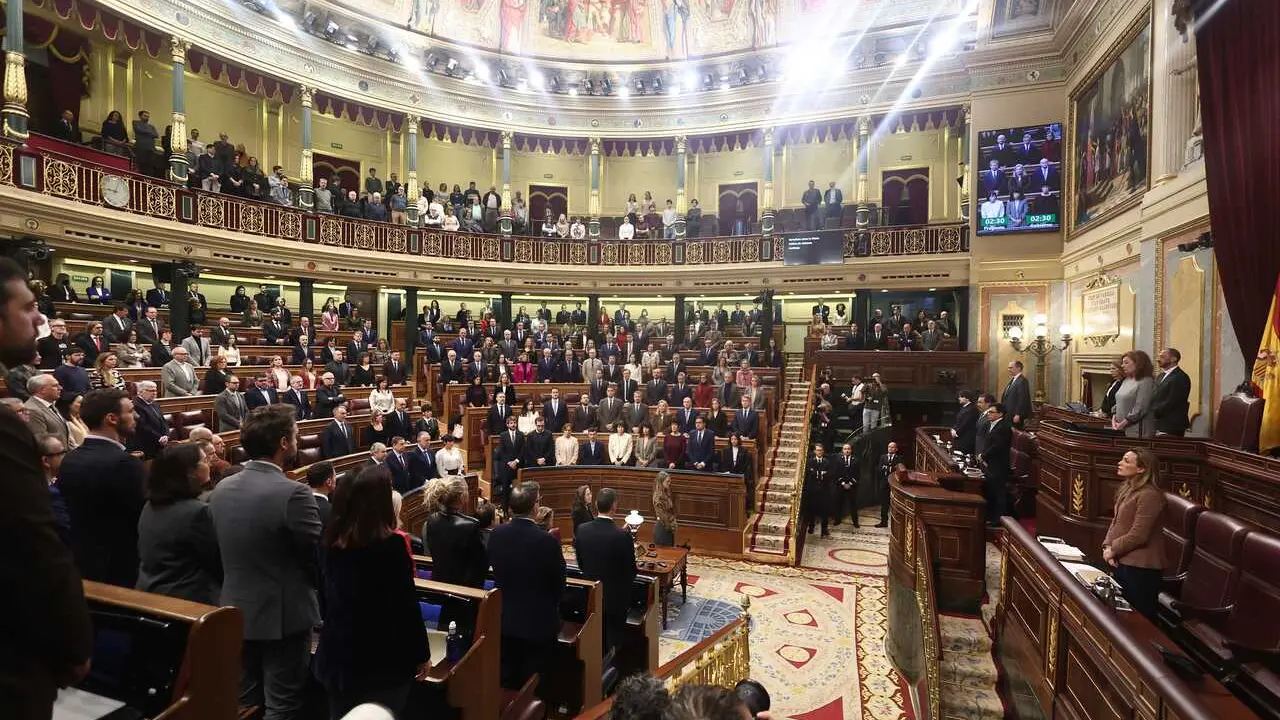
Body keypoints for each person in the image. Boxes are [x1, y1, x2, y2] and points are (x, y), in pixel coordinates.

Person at [0, 255, 93, 719]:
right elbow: (35, 545)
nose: (40, 318)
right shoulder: (6, 426)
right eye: (29, 307)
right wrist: (75, 643)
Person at [209, 405, 321, 720]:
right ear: (284, 443)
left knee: (246, 704)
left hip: (234, 609)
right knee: (282, 705)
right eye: (296, 436)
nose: (297, 441)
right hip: (284, 615)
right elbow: (314, 559)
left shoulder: (221, 488)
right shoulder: (294, 493)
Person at [315, 465, 429, 718]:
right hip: (382, 661)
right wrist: (422, 654)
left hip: (338, 656)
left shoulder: (328, 539)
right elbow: (406, 607)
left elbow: (323, 597)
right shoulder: (391, 545)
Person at [59, 388, 146, 587]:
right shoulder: (125, 464)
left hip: (84, 562)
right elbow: (144, 514)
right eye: (131, 411)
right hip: (122, 567)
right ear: (112, 419)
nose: (136, 416)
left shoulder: (70, 459)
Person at [488, 481, 567, 689]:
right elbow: (559, 584)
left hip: (504, 619)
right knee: (534, 685)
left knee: (508, 681)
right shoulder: (546, 541)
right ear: (535, 507)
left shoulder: (496, 534)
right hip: (538, 623)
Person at [136, 444, 223, 604]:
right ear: (191, 473)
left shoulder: (150, 505)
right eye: (204, 460)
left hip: (150, 590)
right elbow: (216, 563)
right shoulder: (197, 512)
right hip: (188, 598)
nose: (209, 464)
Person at [1101, 448, 1166, 621]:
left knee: (1136, 621)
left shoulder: (1150, 495)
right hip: (1123, 560)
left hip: (1141, 569)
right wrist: (1108, 547)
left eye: (1126, 461)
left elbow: (1139, 534)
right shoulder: (1129, 489)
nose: (1120, 463)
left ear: (1141, 469)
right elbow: (1116, 522)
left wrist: (1113, 549)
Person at [573, 488, 638, 652]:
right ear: (615, 506)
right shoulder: (623, 536)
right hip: (615, 601)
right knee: (614, 641)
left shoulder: (582, 530)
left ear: (596, 505)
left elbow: (580, 563)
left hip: (590, 596)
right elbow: (631, 572)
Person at [980, 405, 1012, 526]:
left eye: (992, 412)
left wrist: (984, 455)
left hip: (999, 464)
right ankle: (991, 516)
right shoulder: (991, 424)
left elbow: (997, 446)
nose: (989, 414)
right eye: (988, 412)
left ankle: (999, 519)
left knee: (999, 491)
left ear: (1000, 414)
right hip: (990, 462)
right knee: (991, 490)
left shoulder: (1004, 427)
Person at [1112, 350, 1156, 438]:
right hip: (1120, 427)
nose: (1122, 365)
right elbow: (1118, 402)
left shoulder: (1146, 381)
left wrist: (1123, 423)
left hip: (1138, 431)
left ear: (1138, 363)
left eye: (1126, 363)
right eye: (1123, 363)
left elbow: (1140, 408)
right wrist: (1114, 418)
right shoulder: (1126, 380)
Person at [1152, 347, 1191, 436]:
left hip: (1171, 424)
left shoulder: (1180, 377)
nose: (1158, 359)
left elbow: (1171, 401)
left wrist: (1151, 413)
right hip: (1157, 422)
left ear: (1174, 359)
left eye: (1162, 357)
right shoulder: (1160, 376)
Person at [721, 433, 754, 512]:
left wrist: (740, 474)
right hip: (729, 475)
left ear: (738, 440)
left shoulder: (744, 450)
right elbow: (724, 464)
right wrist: (727, 472)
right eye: (732, 439)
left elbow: (746, 465)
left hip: (740, 474)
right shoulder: (726, 450)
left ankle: (742, 509)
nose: (734, 441)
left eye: (735, 439)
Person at [876, 441, 902, 528]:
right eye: (889, 447)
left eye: (893, 447)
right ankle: (883, 522)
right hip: (884, 483)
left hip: (895, 484)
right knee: (884, 504)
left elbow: (899, 471)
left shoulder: (899, 458)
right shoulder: (882, 457)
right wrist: (890, 468)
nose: (891, 448)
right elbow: (879, 469)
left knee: (895, 504)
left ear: (896, 449)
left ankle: (896, 524)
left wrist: (886, 468)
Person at [1000, 360, 1033, 428]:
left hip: (1015, 415)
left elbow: (1023, 398)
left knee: (1015, 434)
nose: (1008, 370)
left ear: (1018, 368)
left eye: (1011, 368)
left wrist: (1018, 414)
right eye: (1008, 368)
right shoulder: (1014, 379)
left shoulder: (1022, 380)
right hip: (1008, 413)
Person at [652, 471, 677, 546]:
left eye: (670, 481)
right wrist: (671, 525)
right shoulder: (658, 497)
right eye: (667, 482)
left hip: (668, 526)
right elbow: (662, 515)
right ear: (661, 482)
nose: (669, 483)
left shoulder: (666, 493)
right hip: (662, 527)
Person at [953, 390, 979, 455]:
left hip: (966, 438)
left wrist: (956, 432)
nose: (959, 398)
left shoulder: (972, 409)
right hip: (961, 437)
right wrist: (953, 429)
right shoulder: (964, 408)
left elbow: (966, 423)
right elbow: (958, 421)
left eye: (961, 397)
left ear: (967, 398)